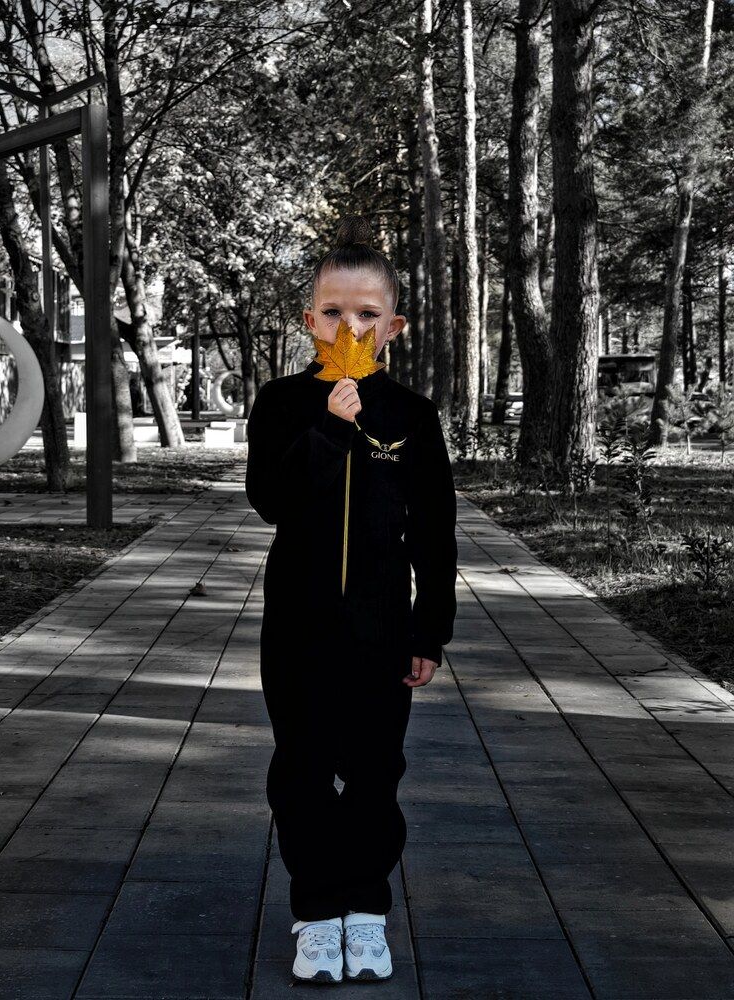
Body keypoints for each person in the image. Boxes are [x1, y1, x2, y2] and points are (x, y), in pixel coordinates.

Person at [245, 212, 457, 984]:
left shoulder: (411, 416)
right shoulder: (281, 403)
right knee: (302, 768)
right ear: (310, 321)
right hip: (297, 628)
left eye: (367, 314)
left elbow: (434, 532)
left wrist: (429, 631)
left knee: (373, 769)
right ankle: (315, 910)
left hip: (380, 628)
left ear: (392, 327)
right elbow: (268, 500)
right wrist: (329, 431)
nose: (349, 327)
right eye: (333, 311)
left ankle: (365, 908)